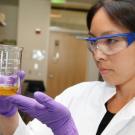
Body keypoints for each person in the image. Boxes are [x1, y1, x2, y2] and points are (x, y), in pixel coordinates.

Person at [1, 0, 135, 134]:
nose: (97, 55)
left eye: (111, 40)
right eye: (93, 41)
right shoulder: (78, 94)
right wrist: (9, 115)